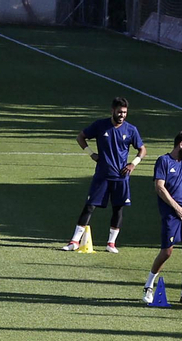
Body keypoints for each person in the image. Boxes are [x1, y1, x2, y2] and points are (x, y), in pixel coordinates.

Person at [61, 97, 145, 255]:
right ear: (112, 110)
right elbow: (81, 137)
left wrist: (133, 163)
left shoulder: (131, 130)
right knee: (90, 206)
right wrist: (91, 154)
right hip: (102, 175)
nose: (122, 115)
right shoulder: (100, 125)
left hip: (121, 177)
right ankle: (74, 241)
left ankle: (111, 243)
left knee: (118, 209)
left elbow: (142, 149)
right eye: (119, 112)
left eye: (125, 113)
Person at [145, 131, 182, 307]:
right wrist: (177, 208)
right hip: (171, 213)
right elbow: (159, 188)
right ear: (181, 145)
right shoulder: (163, 161)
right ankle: (148, 287)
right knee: (167, 252)